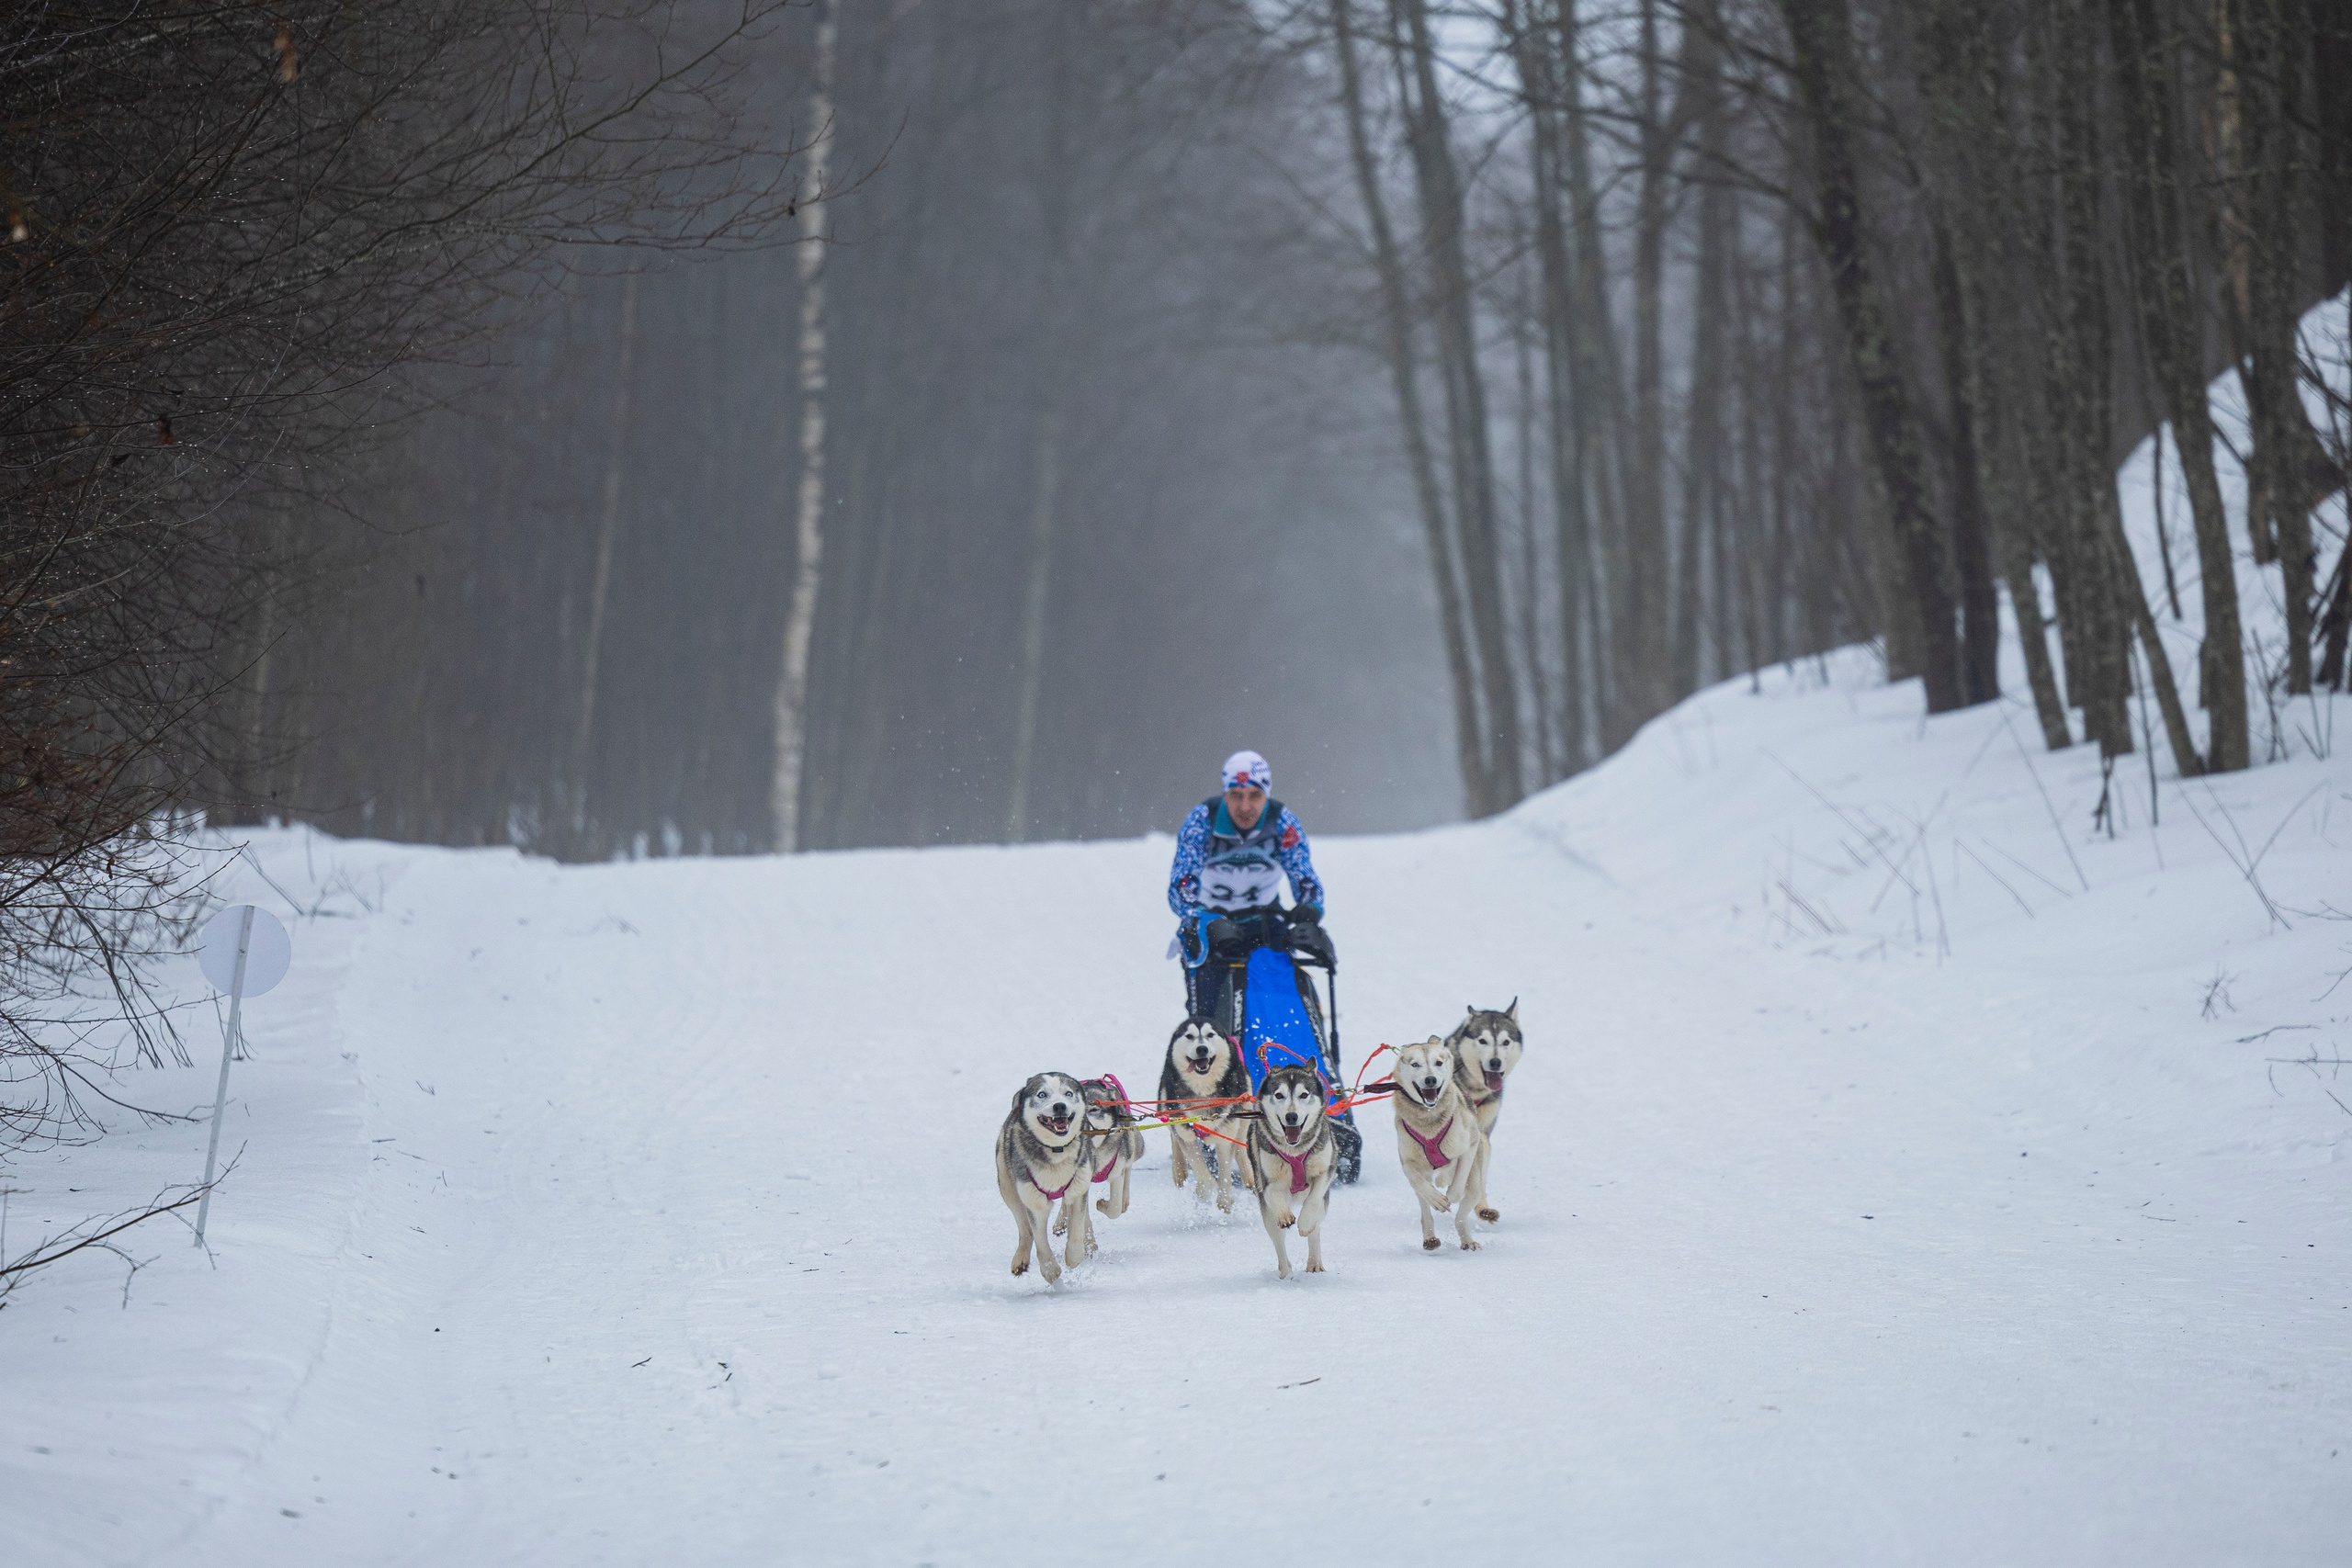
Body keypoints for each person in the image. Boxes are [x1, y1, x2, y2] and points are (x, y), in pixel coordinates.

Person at [1167, 749, 1332, 1033]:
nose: (1245, 807)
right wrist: (1200, 915)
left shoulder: (1283, 822)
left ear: (1266, 795)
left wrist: (1309, 909)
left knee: (1281, 994)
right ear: (1225, 795)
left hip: (1264, 920)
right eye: (1236, 795)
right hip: (1211, 922)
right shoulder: (1201, 821)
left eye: (1254, 796)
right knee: (1210, 1010)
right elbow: (1181, 884)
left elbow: (1303, 875)